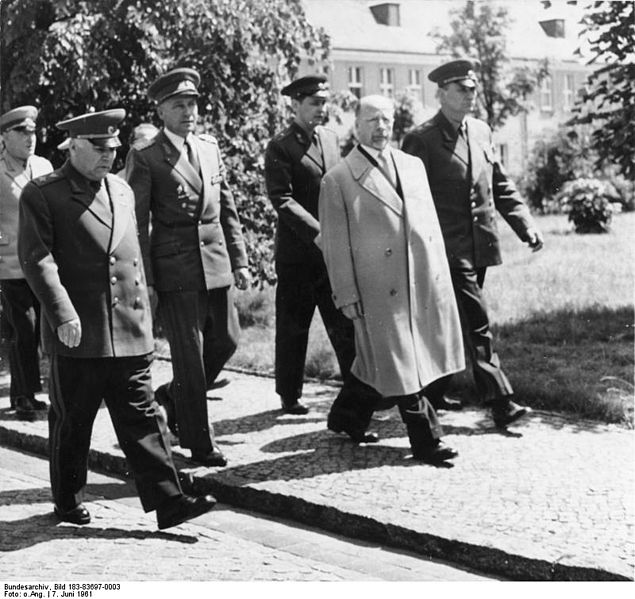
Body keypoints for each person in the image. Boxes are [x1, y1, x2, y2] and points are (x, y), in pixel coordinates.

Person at [17, 108, 216, 529]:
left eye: (114, 148)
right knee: (74, 421)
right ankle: (68, 500)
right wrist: (61, 313)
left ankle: (170, 502)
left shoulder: (122, 190)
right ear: (74, 147)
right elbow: (37, 259)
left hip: (128, 328)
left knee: (143, 419)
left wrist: (147, 313)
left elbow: (134, 257)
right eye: (99, 148)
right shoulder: (44, 193)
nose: (109, 155)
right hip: (79, 332)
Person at [318, 95, 465, 464]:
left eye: (386, 120)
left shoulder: (412, 165)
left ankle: (346, 416)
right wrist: (345, 293)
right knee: (400, 364)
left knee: (379, 361)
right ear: (356, 126)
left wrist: (439, 277)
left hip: (418, 283)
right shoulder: (338, 179)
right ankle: (427, 441)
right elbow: (335, 245)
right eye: (372, 121)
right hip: (374, 288)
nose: (381, 128)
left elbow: (428, 226)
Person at [401, 59, 544, 427]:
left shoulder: (480, 131)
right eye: (462, 89)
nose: (470, 95)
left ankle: (428, 395)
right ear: (441, 93)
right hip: (443, 250)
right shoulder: (422, 139)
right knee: (476, 322)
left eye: (473, 89)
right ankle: (501, 402)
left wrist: (524, 224)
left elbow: (499, 184)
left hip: (478, 247)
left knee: (447, 324)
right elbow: (410, 200)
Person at [126, 68, 250, 467]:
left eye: (192, 103)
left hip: (215, 263)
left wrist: (241, 259)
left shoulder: (210, 148)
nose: (188, 111)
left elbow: (226, 206)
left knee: (228, 339)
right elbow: (136, 226)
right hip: (176, 268)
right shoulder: (146, 157)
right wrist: (144, 280)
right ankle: (200, 443)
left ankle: (172, 398)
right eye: (178, 104)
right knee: (190, 359)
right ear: (161, 111)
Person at [265, 74, 373, 418]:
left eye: (324, 103)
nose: (320, 109)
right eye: (313, 103)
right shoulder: (280, 146)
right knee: (294, 326)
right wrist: (317, 233)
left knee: (344, 324)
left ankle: (357, 394)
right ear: (295, 105)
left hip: (333, 252)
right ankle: (289, 393)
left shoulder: (329, 138)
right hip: (298, 254)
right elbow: (281, 199)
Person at [0, 106, 53, 420]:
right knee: (24, 327)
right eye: (21, 132)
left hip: (44, 262)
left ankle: (31, 390)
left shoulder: (44, 166)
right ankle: (24, 395)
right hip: (9, 263)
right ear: (5, 137)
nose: (29, 138)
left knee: (42, 327)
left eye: (32, 132)